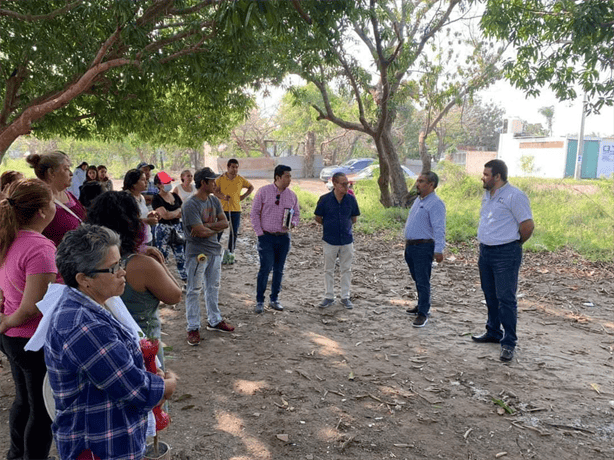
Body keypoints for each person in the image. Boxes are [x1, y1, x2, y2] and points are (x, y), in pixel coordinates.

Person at [44, 224, 177, 460]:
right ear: (84, 279)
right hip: (100, 447)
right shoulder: (84, 325)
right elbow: (135, 388)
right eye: (114, 268)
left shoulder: (93, 305)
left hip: (109, 435)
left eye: (121, 264)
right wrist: (167, 386)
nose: (122, 272)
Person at [87, 192, 182, 368]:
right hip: (144, 351)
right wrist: (161, 264)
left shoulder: (87, 262)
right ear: (131, 224)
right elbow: (175, 296)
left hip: (104, 350)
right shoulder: (142, 264)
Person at [0, 178, 58, 460]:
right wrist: (7, 321)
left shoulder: (11, 236)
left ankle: (16, 454)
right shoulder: (39, 247)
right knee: (43, 409)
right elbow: (34, 305)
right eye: (52, 201)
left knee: (24, 401)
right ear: (41, 212)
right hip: (31, 339)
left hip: (15, 340)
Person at [472, 159, 534, 362]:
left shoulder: (515, 196)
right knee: (490, 295)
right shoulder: (488, 195)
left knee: (506, 299)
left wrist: (513, 244)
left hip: (505, 253)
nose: (483, 177)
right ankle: (493, 332)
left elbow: (527, 226)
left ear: (498, 176)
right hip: (486, 252)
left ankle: (508, 343)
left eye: (486, 174)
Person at [182, 167, 234, 346]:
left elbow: (225, 223)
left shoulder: (214, 200)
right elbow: (198, 231)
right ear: (203, 182)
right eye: (212, 181)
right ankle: (193, 327)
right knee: (194, 290)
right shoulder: (190, 205)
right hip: (196, 253)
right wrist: (211, 227)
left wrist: (206, 226)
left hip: (214, 250)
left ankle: (214, 320)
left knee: (213, 287)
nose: (215, 184)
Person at [250, 165, 300, 314]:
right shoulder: (263, 192)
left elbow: (296, 213)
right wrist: (259, 233)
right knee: (265, 268)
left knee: (279, 269)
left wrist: (293, 223)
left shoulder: (292, 195)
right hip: (266, 237)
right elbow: (254, 213)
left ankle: (274, 299)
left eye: (290, 176)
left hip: (283, 238)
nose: (289, 179)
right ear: (278, 177)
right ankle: (260, 301)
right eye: (287, 176)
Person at [403, 172, 447, 328]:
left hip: (423, 247)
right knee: (417, 279)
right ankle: (421, 304)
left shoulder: (435, 204)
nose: (418, 184)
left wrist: (439, 249)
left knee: (423, 280)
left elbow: (439, 228)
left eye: (422, 181)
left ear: (431, 184)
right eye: (418, 181)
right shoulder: (418, 200)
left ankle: (423, 313)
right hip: (411, 246)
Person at [314, 172, 360, 309]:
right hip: (330, 240)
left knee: (346, 269)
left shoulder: (351, 199)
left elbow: (354, 219)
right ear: (334, 184)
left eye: (348, 184)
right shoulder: (324, 199)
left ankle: (345, 297)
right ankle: (329, 296)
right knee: (329, 269)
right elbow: (318, 218)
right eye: (343, 184)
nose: (347, 186)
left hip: (347, 240)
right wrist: (330, 226)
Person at [27, 150, 86, 246]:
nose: (71, 173)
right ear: (51, 173)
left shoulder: (68, 194)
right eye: (66, 169)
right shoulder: (40, 202)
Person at [215, 159, 254, 264]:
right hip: (222, 210)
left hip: (236, 210)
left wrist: (242, 196)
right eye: (233, 167)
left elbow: (251, 187)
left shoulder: (240, 179)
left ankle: (231, 253)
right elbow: (214, 191)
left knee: (234, 233)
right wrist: (223, 196)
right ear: (228, 167)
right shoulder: (220, 179)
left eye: (236, 167)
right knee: (219, 231)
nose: (235, 169)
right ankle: (214, 252)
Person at [152, 172, 187, 282]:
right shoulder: (156, 199)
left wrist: (173, 213)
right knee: (162, 256)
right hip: (163, 230)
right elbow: (165, 216)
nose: (168, 184)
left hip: (177, 228)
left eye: (169, 182)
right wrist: (177, 211)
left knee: (180, 255)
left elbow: (183, 212)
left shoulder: (175, 196)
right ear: (159, 185)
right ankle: (161, 281)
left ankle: (185, 279)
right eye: (165, 182)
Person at [123, 169, 159, 248]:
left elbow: (141, 215)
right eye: (143, 180)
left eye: (146, 179)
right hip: (135, 241)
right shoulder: (126, 198)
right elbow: (126, 220)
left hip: (147, 237)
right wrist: (147, 220)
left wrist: (150, 214)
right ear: (133, 183)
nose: (146, 182)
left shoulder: (141, 197)